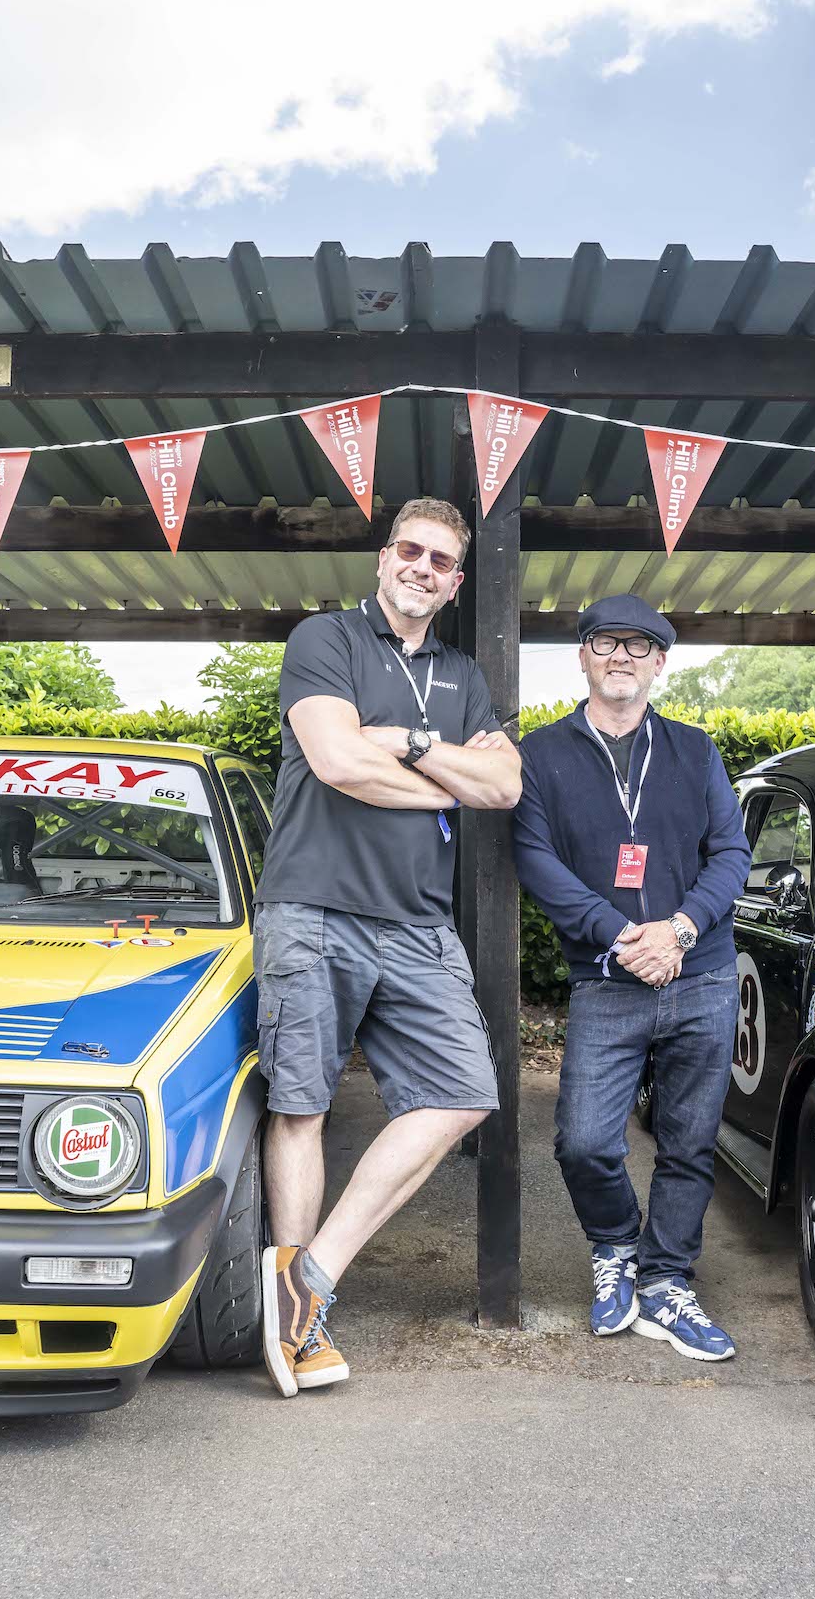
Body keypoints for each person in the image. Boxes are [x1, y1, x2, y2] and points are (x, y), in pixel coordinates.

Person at [254, 496, 522, 1398]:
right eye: (412, 550)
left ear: (453, 583)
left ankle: (309, 1273)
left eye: (443, 561)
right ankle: (300, 1330)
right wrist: (448, 777)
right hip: (313, 909)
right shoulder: (324, 641)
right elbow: (336, 762)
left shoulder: (462, 673)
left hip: (415, 923)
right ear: (384, 558)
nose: (424, 568)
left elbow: (504, 786)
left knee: (463, 1091)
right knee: (301, 1106)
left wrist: (407, 744)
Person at [510, 595, 752, 1361]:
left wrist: (678, 929)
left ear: (660, 663)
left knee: (688, 1145)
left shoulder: (695, 749)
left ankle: (667, 1281)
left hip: (701, 974)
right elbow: (536, 862)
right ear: (582, 655)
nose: (622, 657)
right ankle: (614, 1246)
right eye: (606, 643)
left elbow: (732, 854)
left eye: (640, 646)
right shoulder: (539, 755)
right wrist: (622, 936)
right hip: (609, 980)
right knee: (583, 1141)